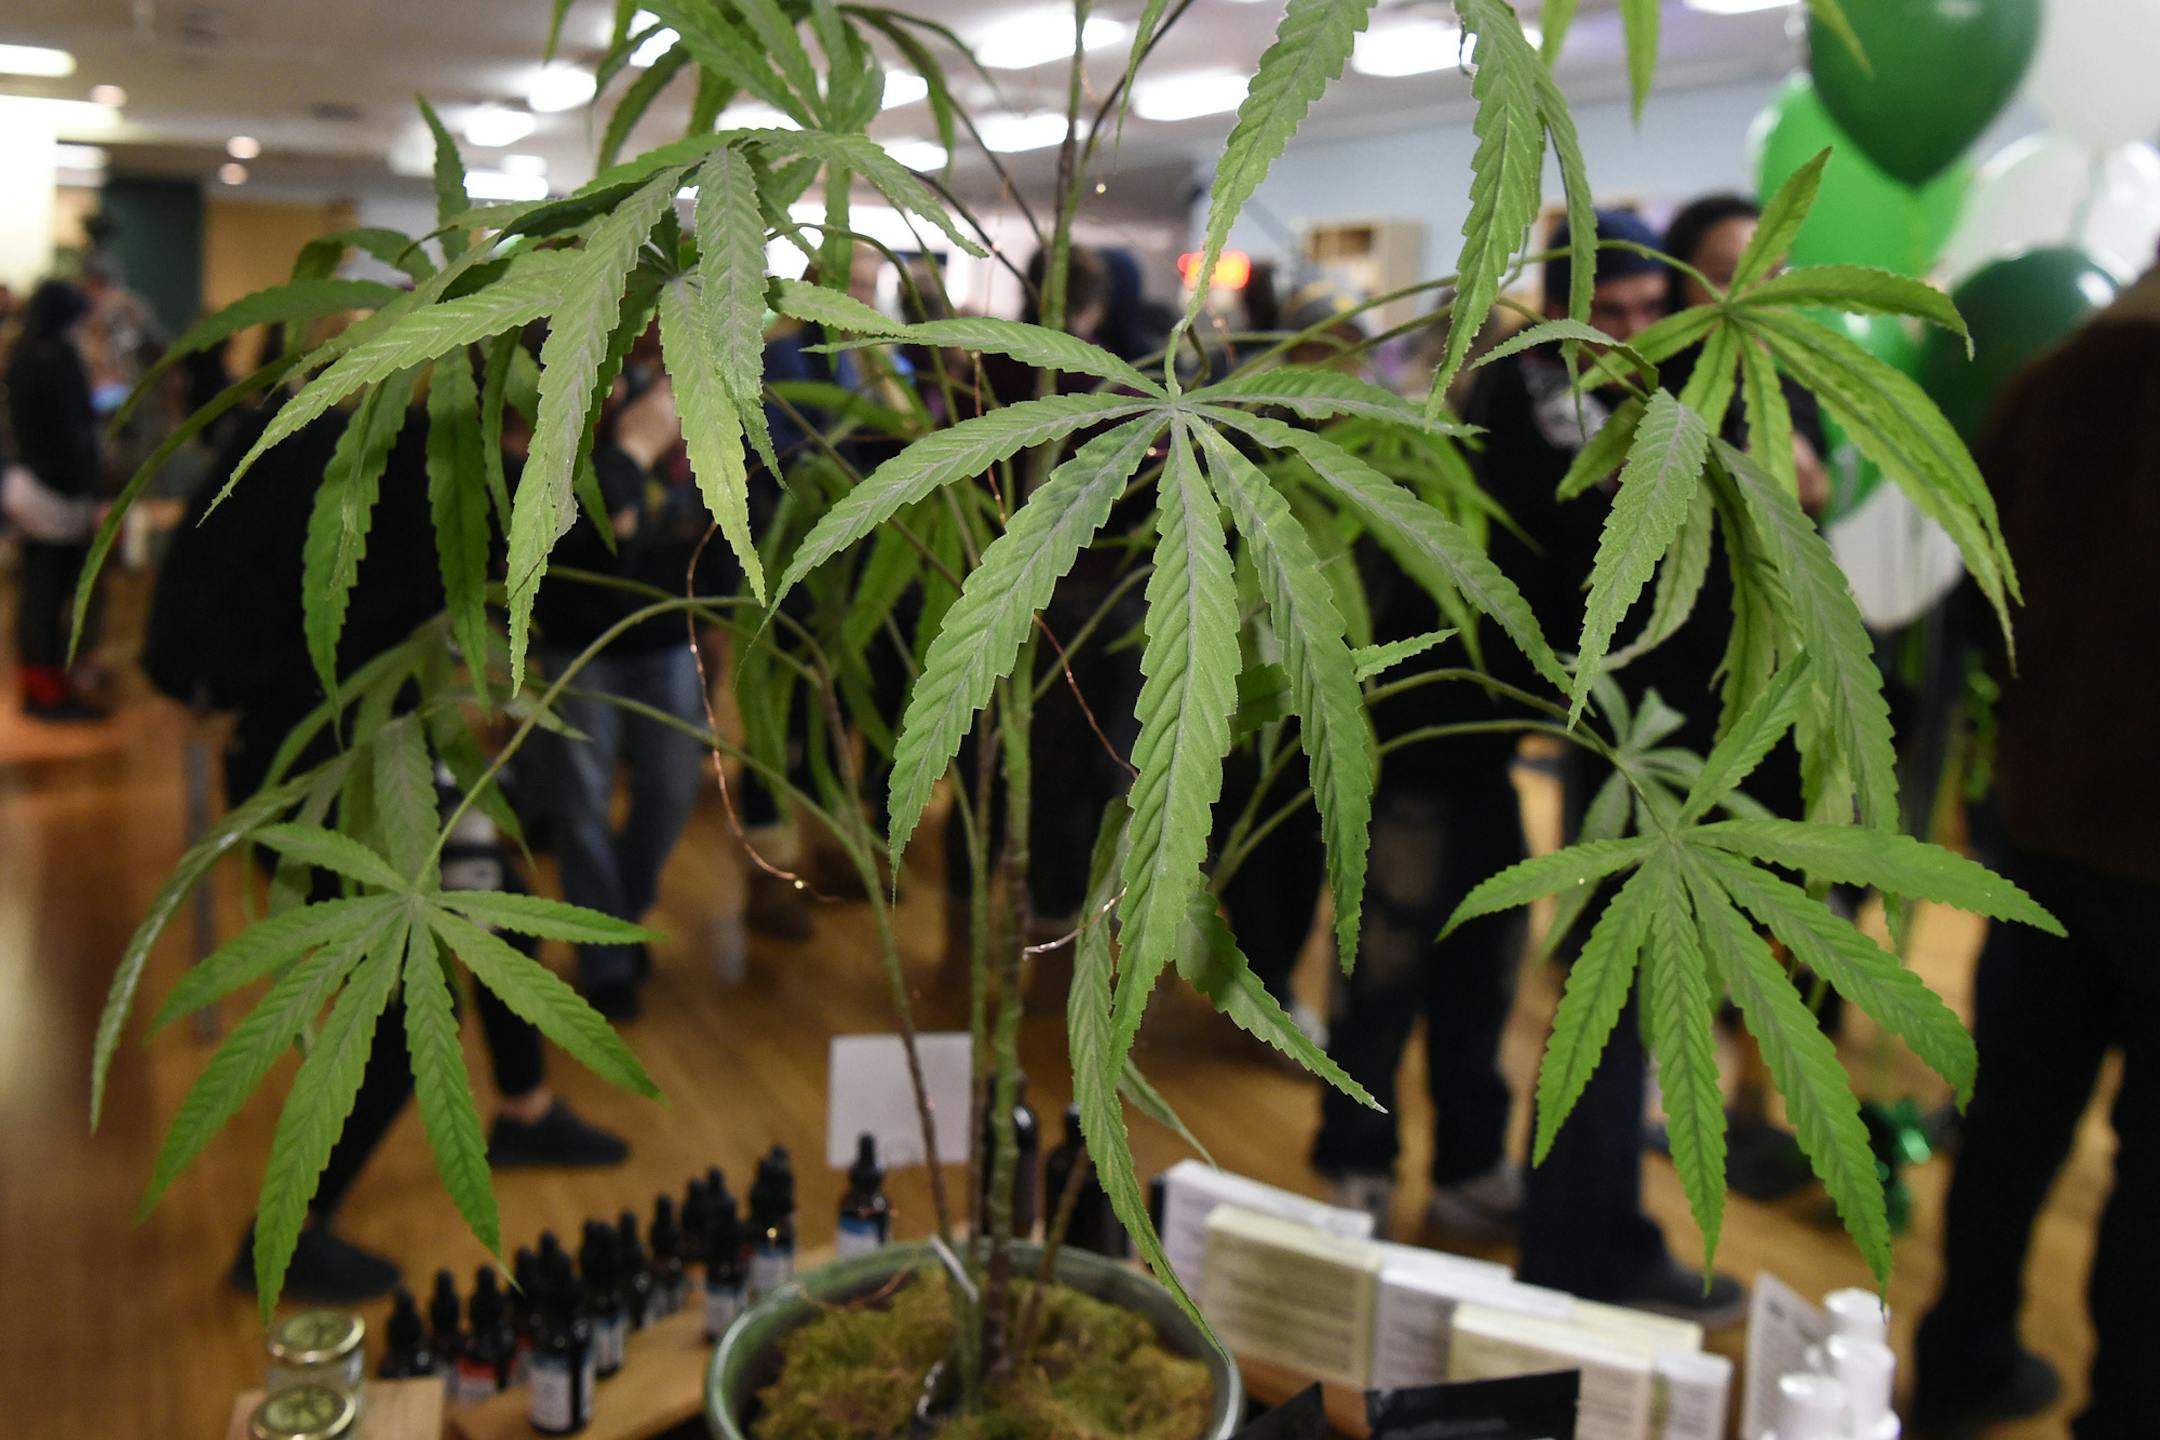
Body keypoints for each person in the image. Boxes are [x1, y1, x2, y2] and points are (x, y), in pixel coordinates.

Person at [147, 373, 629, 1303]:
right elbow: (570, 583)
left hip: (364, 748)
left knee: (490, 903)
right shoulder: (402, 468)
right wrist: (631, 455)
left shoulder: (270, 450)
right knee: (402, 1021)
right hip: (333, 774)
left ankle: (525, 1109)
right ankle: (281, 1235)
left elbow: (176, 650)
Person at [1475, 208, 1749, 1320]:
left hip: (1671, 738)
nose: (1631, 331)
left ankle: (1583, 1241)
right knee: (1615, 988)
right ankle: (1586, 1253)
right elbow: (1536, 560)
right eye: (1610, 311)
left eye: (1650, 309)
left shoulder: (1681, 398)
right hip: (1626, 738)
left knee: (1619, 990)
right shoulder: (1536, 403)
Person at [1909, 262, 2160, 1440]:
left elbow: (1973, 591)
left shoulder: (2055, 384)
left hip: (2041, 824)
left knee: (2010, 1127)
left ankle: (1963, 1360)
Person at [528, 346, 718, 1020]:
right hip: (577, 632)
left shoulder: (703, 384)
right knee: (580, 803)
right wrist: (631, 454)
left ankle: (620, 915)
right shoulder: (570, 379)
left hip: (668, 626)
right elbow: (588, 521)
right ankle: (606, 957)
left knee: (671, 788)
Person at [4, 279, 107, 722]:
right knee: (50, 592)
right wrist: (95, 491)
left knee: (41, 590)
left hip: (32, 483)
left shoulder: (26, 353)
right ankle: (46, 688)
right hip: (55, 493)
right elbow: (71, 436)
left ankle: (44, 679)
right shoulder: (54, 358)